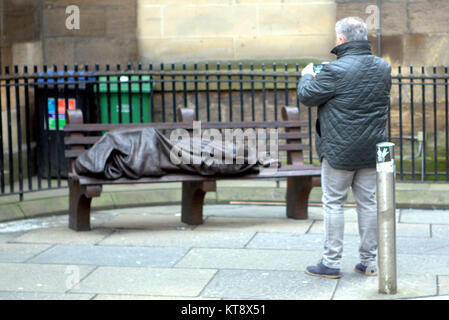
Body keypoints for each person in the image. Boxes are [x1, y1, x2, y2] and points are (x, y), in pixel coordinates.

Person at [297, 17, 392, 279]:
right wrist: (332, 71)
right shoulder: (383, 67)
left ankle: (330, 263)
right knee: (369, 203)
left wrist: (307, 75)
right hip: (372, 148)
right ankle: (370, 262)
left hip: (340, 149)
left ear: (341, 39)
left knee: (334, 204)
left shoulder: (335, 72)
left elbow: (307, 96)